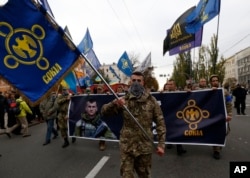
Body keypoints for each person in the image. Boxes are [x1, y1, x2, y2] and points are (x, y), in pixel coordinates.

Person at [101, 71, 166, 178]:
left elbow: (160, 122)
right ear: (130, 82)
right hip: (127, 146)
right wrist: (114, 104)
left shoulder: (151, 101)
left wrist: (161, 144)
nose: (136, 83)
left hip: (144, 147)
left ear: (143, 83)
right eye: (133, 80)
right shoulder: (123, 100)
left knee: (144, 175)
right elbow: (104, 112)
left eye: (139, 81)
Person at [209, 74, 232, 160]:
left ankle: (218, 147)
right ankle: (216, 150)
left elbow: (229, 103)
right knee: (215, 131)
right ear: (211, 82)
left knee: (225, 131)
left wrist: (229, 115)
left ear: (218, 81)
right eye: (213, 81)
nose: (215, 82)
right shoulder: (208, 91)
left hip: (223, 115)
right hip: (212, 116)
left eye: (216, 80)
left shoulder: (225, 92)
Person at [163, 79, 187, 155]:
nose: (169, 86)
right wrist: (160, 94)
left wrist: (189, 92)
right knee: (168, 130)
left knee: (178, 131)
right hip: (168, 115)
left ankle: (179, 147)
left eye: (171, 84)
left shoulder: (179, 93)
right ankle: (169, 142)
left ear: (175, 86)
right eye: (168, 84)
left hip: (177, 115)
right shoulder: (164, 93)